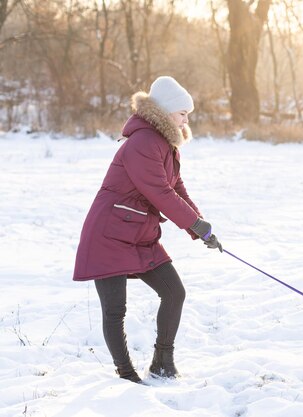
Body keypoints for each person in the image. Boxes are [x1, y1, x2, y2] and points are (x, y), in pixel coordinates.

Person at [73, 76, 222, 383]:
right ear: (166, 111)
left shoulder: (165, 144)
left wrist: (201, 227)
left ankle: (162, 362)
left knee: (174, 293)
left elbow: (177, 187)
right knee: (116, 310)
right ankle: (127, 375)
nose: (186, 119)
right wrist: (194, 224)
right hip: (109, 233)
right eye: (182, 113)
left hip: (139, 234)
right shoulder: (142, 143)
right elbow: (160, 193)